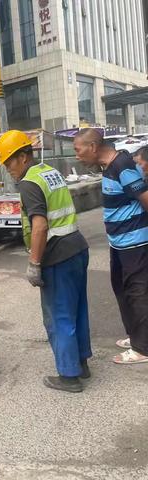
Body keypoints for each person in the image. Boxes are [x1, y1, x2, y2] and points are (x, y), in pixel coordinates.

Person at [0, 130, 92, 393]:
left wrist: (34, 263)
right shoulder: (50, 172)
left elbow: (39, 225)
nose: (7, 169)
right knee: (77, 310)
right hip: (77, 248)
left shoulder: (29, 183)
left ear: (24, 157)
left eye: (9, 162)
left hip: (57, 255)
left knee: (59, 316)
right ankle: (81, 364)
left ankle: (69, 376)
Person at [74, 128, 148, 365]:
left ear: (93, 147)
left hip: (134, 243)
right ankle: (136, 335)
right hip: (119, 243)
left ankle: (143, 348)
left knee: (138, 293)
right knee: (122, 289)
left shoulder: (122, 166)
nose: (77, 156)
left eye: (78, 149)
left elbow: (145, 198)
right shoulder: (109, 166)